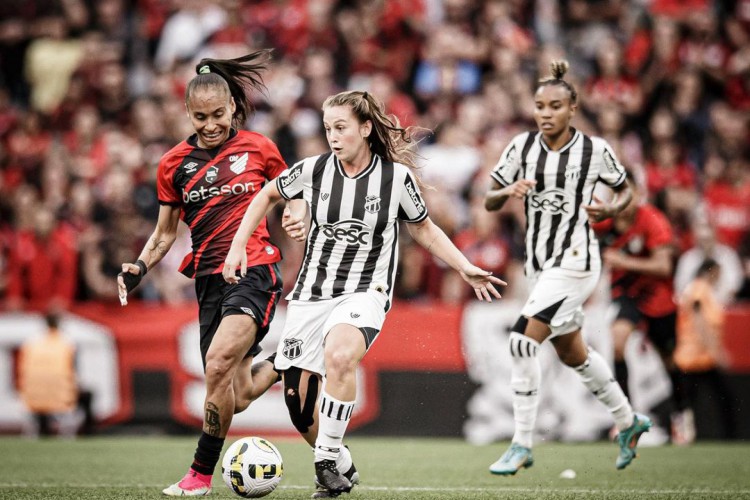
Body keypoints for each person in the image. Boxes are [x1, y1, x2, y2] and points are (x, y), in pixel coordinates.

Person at [223, 90, 506, 497]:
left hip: (366, 290)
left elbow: (423, 228)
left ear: (366, 128)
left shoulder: (395, 179)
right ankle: (341, 464)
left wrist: (464, 267)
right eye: (327, 129)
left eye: (341, 128)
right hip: (312, 293)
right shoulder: (314, 170)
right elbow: (268, 194)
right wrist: (238, 246)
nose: (333, 137)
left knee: (340, 354)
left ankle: (324, 462)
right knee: (300, 408)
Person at [117, 51, 304, 497]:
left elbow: (293, 194)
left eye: (218, 114)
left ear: (234, 109)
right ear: (187, 113)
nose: (210, 124)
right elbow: (165, 234)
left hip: (253, 271)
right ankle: (289, 358)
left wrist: (296, 214)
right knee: (234, 394)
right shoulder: (172, 165)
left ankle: (199, 476)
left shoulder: (260, 148)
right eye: (200, 117)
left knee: (218, 364)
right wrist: (140, 266)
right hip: (208, 281)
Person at [483, 60, 650, 476]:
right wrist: (508, 190)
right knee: (573, 352)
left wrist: (609, 208)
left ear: (572, 108)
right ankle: (629, 421)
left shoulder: (594, 150)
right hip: (538, 267)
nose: (545, 113)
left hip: (576, 261)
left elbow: (626, 190)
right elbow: (488, 198)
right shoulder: (520, 147)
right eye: (540, 105)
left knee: (522, 341)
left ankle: (522, 442)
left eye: (555, 106)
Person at [594, 181, 688, 443]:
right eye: (617, 194)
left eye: (627, 193)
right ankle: (626, 418)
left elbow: (664, 267)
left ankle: (681, 414)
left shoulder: (653, 220)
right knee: (617, 342)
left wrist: (623, 261)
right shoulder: (605, 221)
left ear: (637, 195)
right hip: (626, 294)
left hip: (657, 297)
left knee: (668, 357)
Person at [673, 258, 737, 442]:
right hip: (694, 356)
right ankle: (727, 436)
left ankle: (685, 436)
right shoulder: (699, 289)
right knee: (719, 398)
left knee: (694, 401)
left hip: (698, 356)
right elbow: (699, 321)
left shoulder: (701, 290)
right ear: (711, 271)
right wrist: (715, 350)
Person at [18, 312, 79, 437]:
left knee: (33, 408)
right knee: (71, 400)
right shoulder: (66, 341)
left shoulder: (32, 341)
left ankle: (31, 434)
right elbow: (71, 366)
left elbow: (23, 366)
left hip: (33, 390)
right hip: (59, 389)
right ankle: (67, 434)